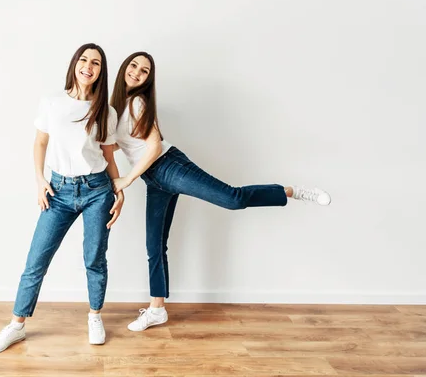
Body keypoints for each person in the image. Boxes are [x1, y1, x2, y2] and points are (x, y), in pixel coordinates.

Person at [110, 51, 331, 332]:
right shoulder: (116, 108)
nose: (137, 73)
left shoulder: (139, 103)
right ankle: (157, 310)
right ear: (124, 68)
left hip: (168, 166)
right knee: (154, 246)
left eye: (144, 71)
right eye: (134, 66)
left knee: (232, 198)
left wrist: (126, 179)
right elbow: (124, 143)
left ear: (147, 80)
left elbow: (153, 146)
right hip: (152, 178)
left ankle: (291, 191)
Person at [0, 43, 124, 352]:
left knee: (94, 259)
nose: (89, 66)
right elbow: (40, 142)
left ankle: (95, 316)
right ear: (75, 64)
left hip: (97, 191)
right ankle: (16, 325)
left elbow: (108, 156)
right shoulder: (52, 103)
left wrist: (120, 190)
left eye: (97, 63)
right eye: (84, 60)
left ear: (101, 72)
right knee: (36, 261)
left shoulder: (106, 111)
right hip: (58, 191)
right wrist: (39, 181)